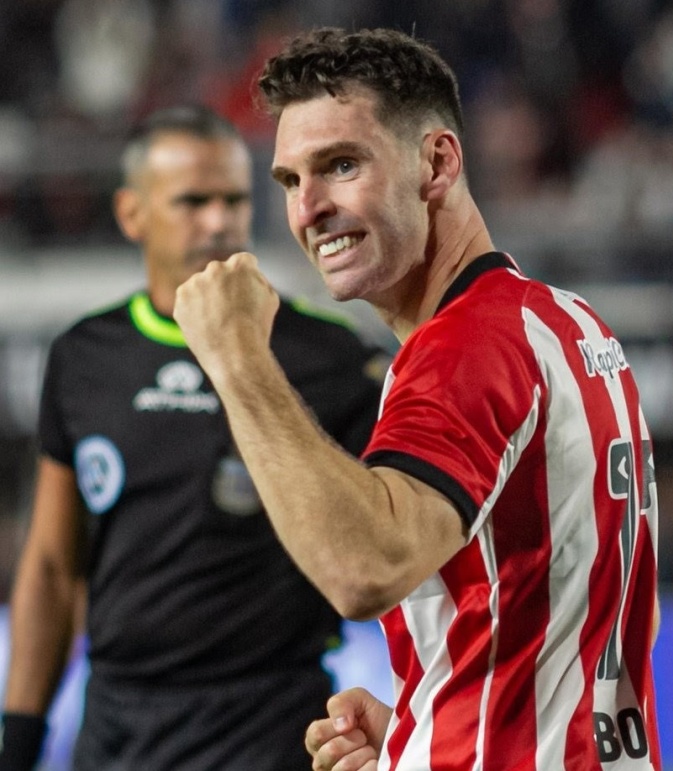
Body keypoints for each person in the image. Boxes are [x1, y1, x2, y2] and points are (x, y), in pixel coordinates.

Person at [173, 28, 662, 770]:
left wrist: (237, 358)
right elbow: (580, 611)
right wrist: (421, 723)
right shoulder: (568, 322)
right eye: (291, 181)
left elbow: (362, 567)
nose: (309, 209)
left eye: (341, 165)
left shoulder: (465, 346)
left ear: (437, 164)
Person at [0, 104, 387, 771]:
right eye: (192, 201)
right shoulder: (84, 356)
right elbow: (53, 567)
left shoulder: (333, 357)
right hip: (119, 729)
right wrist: (20, 739)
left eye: (234, 199)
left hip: (271, 725)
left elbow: (387, 551)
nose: (218, 222)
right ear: (131, 214)